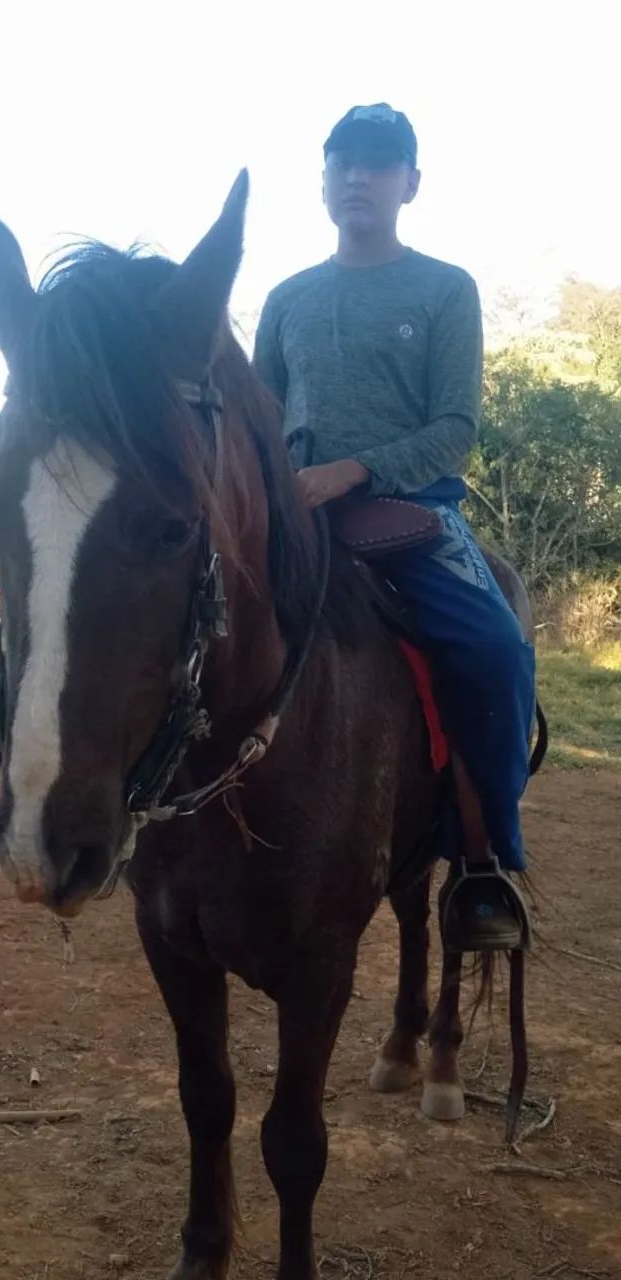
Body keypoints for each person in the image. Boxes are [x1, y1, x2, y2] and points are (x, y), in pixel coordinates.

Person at [253, 103, 536, 950]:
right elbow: (264, 417)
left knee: (494, 651)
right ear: (324, 181)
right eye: (341, 162)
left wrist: (355, 469)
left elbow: (456, 426)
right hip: (294, 516)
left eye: (377, 164)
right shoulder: (287, 298)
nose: (356, 177)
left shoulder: (445, 288)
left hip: (411, 516)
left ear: (410, 182)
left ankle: (484, 861)